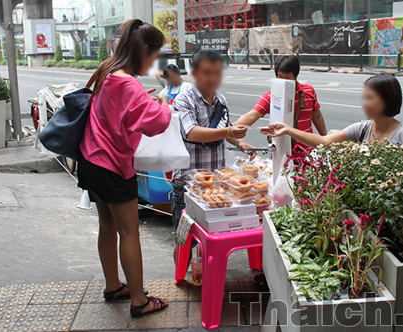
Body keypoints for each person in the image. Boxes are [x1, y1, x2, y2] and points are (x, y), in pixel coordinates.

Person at [78, 19, 171, 318]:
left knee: (107, 226)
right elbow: (157, 122)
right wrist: (163, 103)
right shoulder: (128, 83)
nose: (153, 62)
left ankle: (113, 286)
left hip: (91, 160)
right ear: (143, 50)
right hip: (114, 166)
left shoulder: (107, 69)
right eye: (153, 56)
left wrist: (144, 98)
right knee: (130, 232)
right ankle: (139, 301)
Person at [171, 50, 250, 246]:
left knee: (212, 243)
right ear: (195, 73)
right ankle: (182, 277)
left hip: (215, 187)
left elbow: (222, 129)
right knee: (185, 243)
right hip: (187, 185)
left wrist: (238, 142)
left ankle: (203, 277)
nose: (212, 78)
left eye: (217, 73)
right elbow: (192, 133)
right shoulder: (184, 101)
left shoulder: (221, 100)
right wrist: (228, 132)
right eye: (207, 72)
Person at [262, 74, 403, 150]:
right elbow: (323, 142)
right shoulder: (363, 128)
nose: (364, 104)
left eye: (370, 98)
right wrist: (288, 130)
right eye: (363, 98)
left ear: (388, 99)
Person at [234, 55, 327, 157]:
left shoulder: (309, 91)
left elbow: (317, 116)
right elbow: (252, 115)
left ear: (295, 76)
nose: (283, 81)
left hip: (307, 156)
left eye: (287, 78)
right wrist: (229, 129)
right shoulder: (271, 96)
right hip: (281, 157)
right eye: (280, 77)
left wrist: (326, 141)